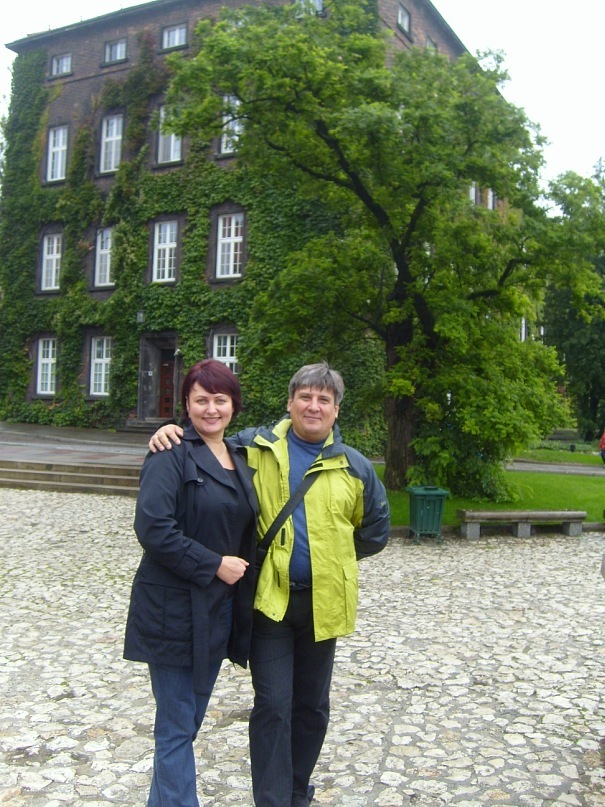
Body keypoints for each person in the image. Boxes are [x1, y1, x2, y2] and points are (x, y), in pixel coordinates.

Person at [149, 361, 390, 806]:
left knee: (312, 707)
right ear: (290, 403)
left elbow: (375, 530)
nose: (313, 406)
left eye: (324, 399)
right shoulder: (253, 447)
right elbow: (207, 436)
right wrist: (171, 430)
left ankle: (297, 792)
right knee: (274, 705)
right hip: (269, 602)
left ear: (336, 410)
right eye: (305, 397)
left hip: (323, 603)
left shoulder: (354, 466)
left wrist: (331, 559)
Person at [124, 359, 258, 807]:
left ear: (234, 405)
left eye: (220, 400)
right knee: (177, 726)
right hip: (173, 610)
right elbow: (153, 528)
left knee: (186, 724)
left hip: (217, 611)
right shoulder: (170, 451)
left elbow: (292, 426)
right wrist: (214, 564)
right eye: (201, 400)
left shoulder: (240, 455)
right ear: (186, 404)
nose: (211, 409)